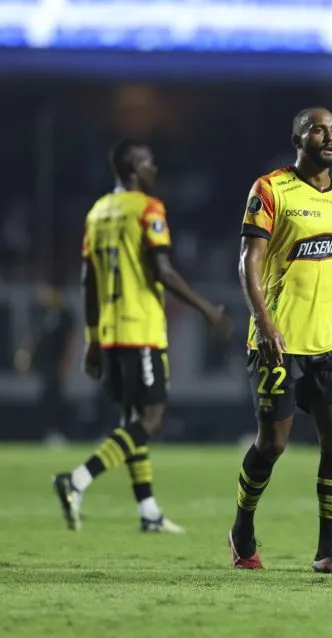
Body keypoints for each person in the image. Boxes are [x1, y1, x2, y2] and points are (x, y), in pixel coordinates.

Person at [53, 140, 233, 532]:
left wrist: (92, 338)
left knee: (132, 419)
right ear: (134, 168)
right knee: (150, 421)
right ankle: (78, 479)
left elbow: (88, 280)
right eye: (150, 163)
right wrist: (207, 309)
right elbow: (163, 271)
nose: (155, 170)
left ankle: (148, 510)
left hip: (111, 330)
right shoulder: (148, 209)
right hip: (141, 327)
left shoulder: (97, 212)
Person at [228, 107, 332, 575]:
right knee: (273, 444)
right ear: (297, 138)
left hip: (330, 342)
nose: (328, 137)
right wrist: (264, 324)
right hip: (280, 342)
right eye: (318, 130)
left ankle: (330, 551)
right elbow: (249, 260)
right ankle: (242, 530)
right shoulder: (270, 189)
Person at [16, 282, 77, 444]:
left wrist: (66, 361)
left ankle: (59, 431)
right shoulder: (41, 312)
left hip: (56, 363)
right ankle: (48, 431)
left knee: (55, 396)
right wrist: (25, 356)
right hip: (42, 363)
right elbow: (33, 336)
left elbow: (70, 340)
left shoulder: (66, 315)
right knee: (45, 397)